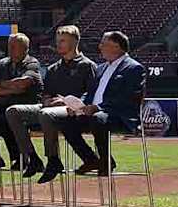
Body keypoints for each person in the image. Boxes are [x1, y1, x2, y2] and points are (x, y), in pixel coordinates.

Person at [48, 31, 145, 181]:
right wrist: (78, 106)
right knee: (65, 122)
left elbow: (128, 97)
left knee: (98, 118)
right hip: (95, 114)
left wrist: (98, 107)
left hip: (119, 116)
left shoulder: (134, 68)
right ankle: (91, 160)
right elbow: (90, 93)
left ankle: (105, 162)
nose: (100, 47)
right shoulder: (100, 68)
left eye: (103, 44)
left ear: (116, 46)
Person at [4, 25, 96, 180]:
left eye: (63, 41)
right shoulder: (53, 68)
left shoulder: (87, 66)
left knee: (46, 114)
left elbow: (91, 94)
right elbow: (45, 94)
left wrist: (67, 102)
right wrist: (47, 101)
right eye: (57, 41)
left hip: (74, 109)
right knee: (13, 111)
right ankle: (32, 157)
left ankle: (53, 159)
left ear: (74, 42)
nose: (58, 44)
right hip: (50, 108)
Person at [0, 33, 42, 172]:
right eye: (9, 46)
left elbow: (23, 84)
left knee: (3, 119)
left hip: (23, 105)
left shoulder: (32, 63)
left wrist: (1, 86)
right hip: (2, 105)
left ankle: (19, 157)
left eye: (14, 46)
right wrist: (11, 88)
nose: (10, 49)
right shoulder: (2, 63)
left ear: (25, 48)